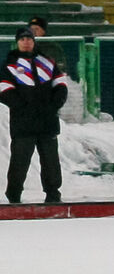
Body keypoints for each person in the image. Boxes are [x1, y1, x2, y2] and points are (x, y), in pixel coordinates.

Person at [2, 26, 67, 204]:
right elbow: (4, 90)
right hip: (23, 123)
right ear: (17, 42)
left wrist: (53, 106)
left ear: (34, 41)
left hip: (47, 122)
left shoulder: (47, 62)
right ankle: (14, 195)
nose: (26, 42)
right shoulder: (9, 65)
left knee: (51, 161)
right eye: (22, 39)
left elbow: (61, 85)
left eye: (29, 39)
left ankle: (53, 194)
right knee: (20, 161)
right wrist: (23, 107)